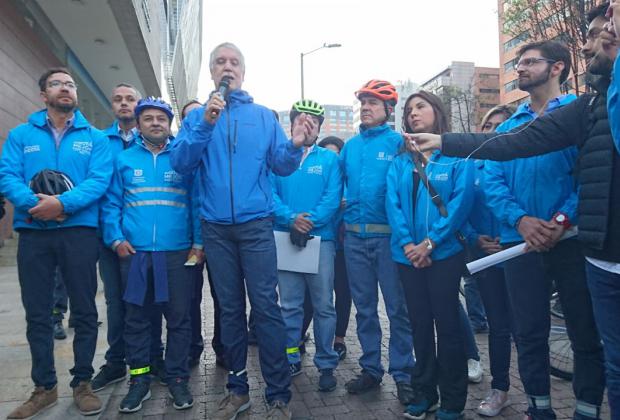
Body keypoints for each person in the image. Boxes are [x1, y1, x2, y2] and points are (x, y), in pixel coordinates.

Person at [410, 11, 615, 417]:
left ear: (558, 67)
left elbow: (589, 178)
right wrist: (521, 221)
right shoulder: (512, 125)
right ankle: (539, 408)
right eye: (517, 63)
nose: (520, 68)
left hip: (573, 243)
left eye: (529, 62)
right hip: (517, 244)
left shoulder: (583, 111)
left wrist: (560, 222)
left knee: (585, 333)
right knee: (530, 333)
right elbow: (492, 177)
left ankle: (588, 408)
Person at [170, 42, 315, 420]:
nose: (227, 67)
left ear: (244, 71)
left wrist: (296, 145)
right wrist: (205, 123)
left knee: (266, 307)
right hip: (215, 228)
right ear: (212, 72)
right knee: (229, 309)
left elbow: (281, 166)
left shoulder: (264, 117)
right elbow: (182, 162)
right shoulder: (199, 116)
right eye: (220, 62)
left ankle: (279, 392)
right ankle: (237, 389)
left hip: (255, 225)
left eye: (234, 62)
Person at [0, 67, 112, 418]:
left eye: (70, 84)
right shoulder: (21, 135)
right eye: (57, 84)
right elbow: (7, 175)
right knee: (37, 313)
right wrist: (39, 207)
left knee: (84, 310)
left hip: (78, 232)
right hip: (33, 232)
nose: (65, 88)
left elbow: (99, 180)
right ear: (42, 94)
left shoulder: (95, 138)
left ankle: (82, 382)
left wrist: (62, 204)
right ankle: (44, 387)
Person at [102, 97, 202, 412]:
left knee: (179, 319)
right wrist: (116, 238)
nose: (156, 123)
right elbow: (111, 204)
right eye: (149, 118)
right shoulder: (124, 160)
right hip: (136, 255)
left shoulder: (183, 160)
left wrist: (199, 243)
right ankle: (140, 380)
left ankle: (176, 378)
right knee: (137, 320)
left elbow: (196, 205)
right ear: (139, 123)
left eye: (161, 118)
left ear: (169, 123)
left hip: (176, 254)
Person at [386, 91, 472, 420]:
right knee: (420, 325)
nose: (413, 114)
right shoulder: (400, 162)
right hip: (407, 256)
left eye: (420, 107)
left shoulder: (455, 158)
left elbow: (462, 205)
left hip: (445, 255)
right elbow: (392, 205)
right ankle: (424, 393)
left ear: (437, 112)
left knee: (448, 326)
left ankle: (452, 401)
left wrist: (431, 243)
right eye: (409, 111)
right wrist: (409, 244)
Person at [340, 80, 415, 405]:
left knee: (398, 310)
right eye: (364, 102)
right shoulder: (350, 147)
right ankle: (371, 369)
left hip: (389, 241)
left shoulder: (400, 143)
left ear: (388, 109)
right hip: (354, 239)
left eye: (374, 102)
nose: (367, 107)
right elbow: (338, 185)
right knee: (365, 311)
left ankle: (404, 374)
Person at [273, 100, 342, 391]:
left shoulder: (329, 159)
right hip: (284, 237)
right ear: (292, 124)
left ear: (319, 127)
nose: (307, 125)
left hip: (320, 239)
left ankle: (326, 362)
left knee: (324, 305)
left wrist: (308, 222)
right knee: (289, 305)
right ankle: (292, 357)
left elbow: (333, 195)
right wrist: (290, 219)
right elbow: (269, 193)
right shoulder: (277, 157)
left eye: (313, 121)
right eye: (302, 119)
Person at [463, 104, 516, 416]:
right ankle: (500, 389)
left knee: (528, 328)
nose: (495, 130)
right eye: (489, 125)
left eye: (502, 124)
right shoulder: (473, 166)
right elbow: (461, 208)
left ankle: (541, 396)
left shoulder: (522, 163)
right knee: (498, 326)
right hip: (485, 255)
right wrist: (476, 238)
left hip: (519, 250)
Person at [91, 82, 144, 392]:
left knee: (143, 301)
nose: (124, 104)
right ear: (112, 105)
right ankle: (115, 361)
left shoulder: (152, 139)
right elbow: (103, 192)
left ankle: (149, 356)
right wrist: (112, 236)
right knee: (114, 301)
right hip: (109, 238)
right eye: (118, 99)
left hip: (141, 239)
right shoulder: (100, 141)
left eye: (130, 99)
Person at [179, 99, 226, 369]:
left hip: (218, 237)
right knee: (189, 297)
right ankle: (192, 348)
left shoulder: (218, 158)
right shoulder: (182, 157)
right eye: (190, 118)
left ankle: (223, 348)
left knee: (224, 297)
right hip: (188, 242)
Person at [318, 135, 352, 360]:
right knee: (317, 297)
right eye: (328, 153)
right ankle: (300, 336)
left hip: (344, 247)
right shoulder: (318, 178)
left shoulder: (349, 180)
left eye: (336, 153)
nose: (333, 157)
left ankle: (338, 338)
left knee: (343, 292)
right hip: (321, 242)